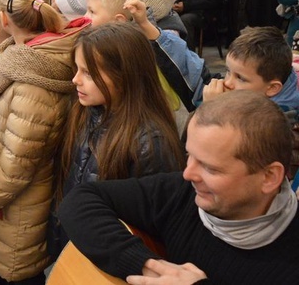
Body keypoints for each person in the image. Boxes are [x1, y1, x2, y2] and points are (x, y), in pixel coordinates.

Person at [58, 91, 299, 284]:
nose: (188, 173)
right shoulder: (182, 193)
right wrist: (149, 267)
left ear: (269, 177)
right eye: (189, 156)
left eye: (210, 168)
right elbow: (81, 200)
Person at [0, 0, 89, 285]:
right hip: (9, 209)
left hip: (18, 219)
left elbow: (15, 170)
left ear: (4, 20)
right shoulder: (22, 61)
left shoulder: (32, 87)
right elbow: (0, 135)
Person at [53, 23, 185, 250]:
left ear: (124, 75)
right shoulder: (86, 113)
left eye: (88, 73)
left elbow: (154, 224)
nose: (75, 79)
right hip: (73, 243)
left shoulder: (150, 144)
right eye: (77, 69)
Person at [202, 26, 299, 112]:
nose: (227, 83)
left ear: (272, 88)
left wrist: (213, 108)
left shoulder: (277, 121)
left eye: (240, 78)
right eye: (228, 71)